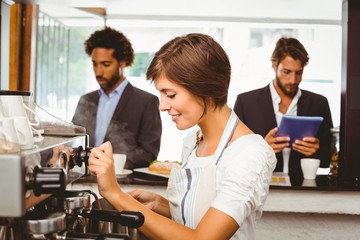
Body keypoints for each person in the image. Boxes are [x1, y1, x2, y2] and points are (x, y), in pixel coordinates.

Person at [88, 33, 277, 240]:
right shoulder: (193, 141)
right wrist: (165, 206)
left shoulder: (249, 154)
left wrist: (115, 193)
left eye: (170, 95)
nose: (162, 106)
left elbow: (202, 239)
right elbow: (200, 217)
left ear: (205, 88)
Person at [233, 37, 333, 183]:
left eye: (298, 73)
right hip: (257, 187)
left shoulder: (319, 103)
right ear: (274, 65)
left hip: (304, 190)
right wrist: (262, 149)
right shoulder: (246, 102)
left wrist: (316, 151)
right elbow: (232, 155)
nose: (293, 80)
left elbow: (329, 158)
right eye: (286, 72)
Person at [72, 27, 162, 170]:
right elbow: (74, 142)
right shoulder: (86, 101)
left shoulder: (146, 102)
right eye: (95, 64)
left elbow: (148, 154)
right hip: (85, 179)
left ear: (122, 62)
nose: (98, 72)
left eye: (106, 64)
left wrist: (108, 164)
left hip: (125, 185)